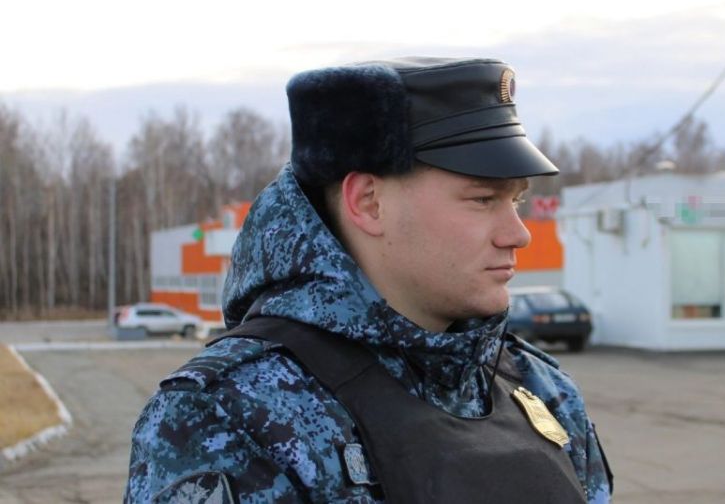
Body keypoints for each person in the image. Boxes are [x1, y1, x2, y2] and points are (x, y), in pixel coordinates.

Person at [124, 57, 613, 503]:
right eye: (483, 199)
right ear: (368, 203)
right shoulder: (230, 414)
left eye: (517, 200)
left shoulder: (541, 390)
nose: (519, 234)